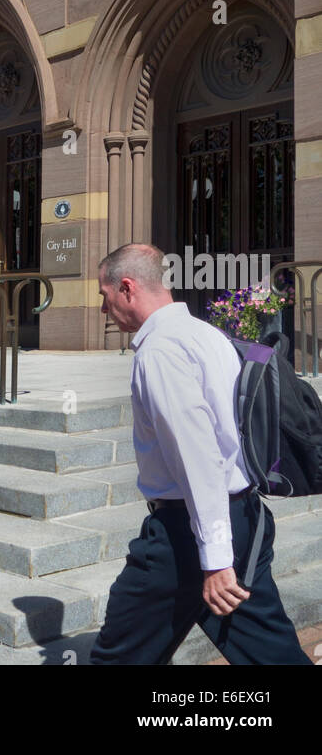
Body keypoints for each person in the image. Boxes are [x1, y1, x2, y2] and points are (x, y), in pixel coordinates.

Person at [89, 242, 312, 666]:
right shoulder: (208, 335)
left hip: (187, 536)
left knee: (118, 654)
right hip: (243, 518)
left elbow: (197, 457)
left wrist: (214, 559)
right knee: (270, 650)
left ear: (128, 287)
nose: (104, 310)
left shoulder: (161, 352)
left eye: (105, 296)